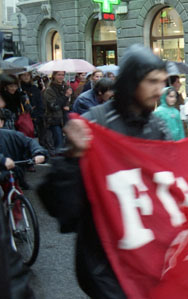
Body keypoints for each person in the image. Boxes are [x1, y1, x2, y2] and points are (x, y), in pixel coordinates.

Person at [50, 44, 172, 298]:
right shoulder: (94, 124)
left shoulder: (157, 126)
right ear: (131, 82)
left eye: (162, 82)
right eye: (152, 81)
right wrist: (72, 158)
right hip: (105, 263)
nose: (159, 89)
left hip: (147, 253)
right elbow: (60, 206)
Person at [43, 71, 72, 152]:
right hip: (55, 120)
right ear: (54, 76)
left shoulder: (66, 87)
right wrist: (65, 96)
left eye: (63, 75)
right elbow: (53, 106)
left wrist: (69, 106)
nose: (61, 77)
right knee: (59, 144)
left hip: (66, 118)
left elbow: (72, 101)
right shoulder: (49, 90)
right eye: (59, 75)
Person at [19, 71, 46, 146]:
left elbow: (40, 103)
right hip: (25, 118)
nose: (26, 77)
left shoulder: (34, 88)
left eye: (28, 75)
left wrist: (40, 115)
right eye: (24, 75)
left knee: (38, 139)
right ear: (20, 77)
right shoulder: (19, 89)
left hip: (37, 117)